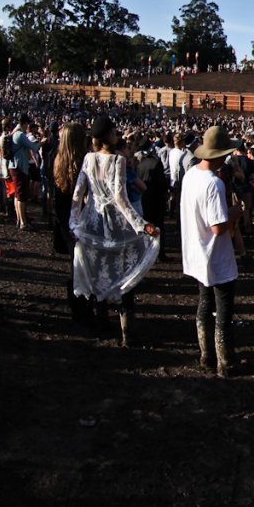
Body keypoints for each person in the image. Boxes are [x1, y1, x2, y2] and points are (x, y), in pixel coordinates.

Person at [69, 116, 160, 348]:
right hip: (115, 223)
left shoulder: (89, 158)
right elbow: (120, 197)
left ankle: (102, 322)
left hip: (92, 222)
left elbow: (78, 193)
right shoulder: (117, 160)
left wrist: (74, 222)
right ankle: (127, 332)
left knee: (98, 269)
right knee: (125, 274)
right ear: (109, 135)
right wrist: (140, 224)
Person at [181, 126, 244, 378]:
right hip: (215, 255)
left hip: (196, 252)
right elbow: (218, 227)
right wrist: (236, 213)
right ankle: (225, 361)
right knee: (223, 310)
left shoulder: (190, 176)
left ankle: (206, 355)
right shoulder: (214, 183)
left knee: (204, 304)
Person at [52, 122, 90, 324]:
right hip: (81, 222)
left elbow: (57, 199)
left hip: (66, 223)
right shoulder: (84, 163)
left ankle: (76, 309)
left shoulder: (57, 160)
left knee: (73, 266)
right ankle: (84, 308)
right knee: (85, 266)